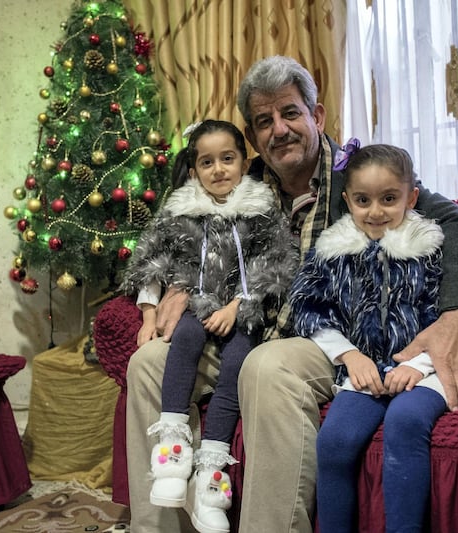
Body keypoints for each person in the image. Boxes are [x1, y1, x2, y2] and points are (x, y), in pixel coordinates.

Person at [125, 55, 458, 533]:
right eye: (264, 122)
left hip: (320, 335)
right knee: (150, 363)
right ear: (253, 137)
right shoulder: (241, 183)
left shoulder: (359, 177)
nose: (279, 130)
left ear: (316, 116)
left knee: (269, 366)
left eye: (290, 113)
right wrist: (177, 288)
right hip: (239, 325)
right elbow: (184, 236)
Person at [288, 142, 458, 532]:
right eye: (363, 200)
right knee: (334, 441)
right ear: (347, 200)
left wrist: (418, 365)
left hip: (427, 371)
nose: (376, 211)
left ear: (411, 197)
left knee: (404, 422)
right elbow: (308, 309)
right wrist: (350, 356)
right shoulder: (333, 251)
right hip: (364, 369)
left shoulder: (432, 246)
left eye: (389, 199)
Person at [120, 119, 298, 533]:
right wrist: (148, 315)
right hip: (198, 304)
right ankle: (172, 450)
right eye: (206, 162)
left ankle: (211, 477)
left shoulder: (260, 206)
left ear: (243, 161)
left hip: (246, 310)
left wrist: (238, 304)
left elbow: (275, 263)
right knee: (184, 337)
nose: (218, 169)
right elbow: (152, 261)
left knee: (237, 363)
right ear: (193, 168)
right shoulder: (182, 209)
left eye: (227, 159)